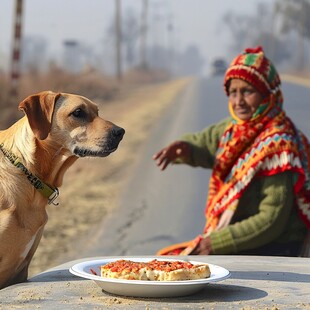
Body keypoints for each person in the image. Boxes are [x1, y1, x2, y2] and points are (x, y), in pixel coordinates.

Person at [153, 46, 310, 257]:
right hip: (245, 245)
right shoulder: (233, 129)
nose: (238, 102)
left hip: (278, 250)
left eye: (248, 91)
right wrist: (185, 148)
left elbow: (271, 219)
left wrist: (214, 244)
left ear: (267, 94)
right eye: (233, 92)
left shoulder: (280, 144)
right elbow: (205, 143)